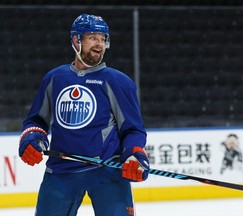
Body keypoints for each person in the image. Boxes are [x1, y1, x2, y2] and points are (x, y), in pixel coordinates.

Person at [18, 14, 149, 216]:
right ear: (76, 40)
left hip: (106, 171)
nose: (99, 44)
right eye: (92, 37)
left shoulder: (118, 82)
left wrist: (134, 154)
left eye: (103, 38)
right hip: (61, 170)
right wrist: (32, 138)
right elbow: (36, 120)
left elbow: (133, 130)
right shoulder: (55, 78)